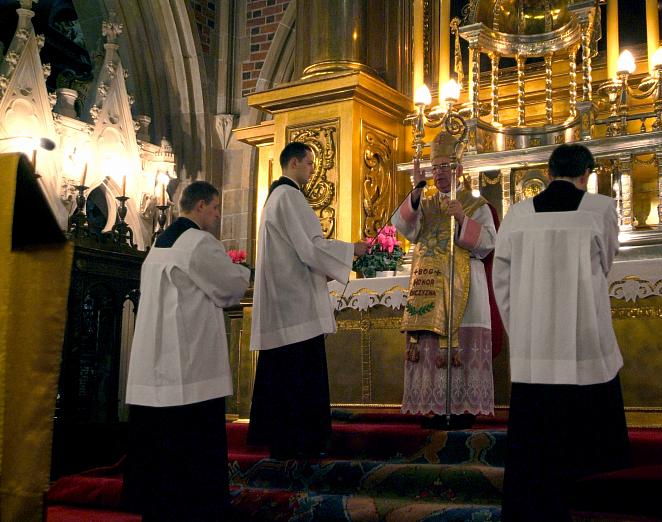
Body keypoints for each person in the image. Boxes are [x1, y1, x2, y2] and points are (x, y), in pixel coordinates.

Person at [492, 143, 631, 521]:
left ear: (549, 173)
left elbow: (501, 280)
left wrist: (521, 329)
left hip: (534, 350)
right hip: (585, 341)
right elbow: (607, 263)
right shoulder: (600, 208)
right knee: (591, 441)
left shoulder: (517, 214)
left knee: (536, 445)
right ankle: (594, 504)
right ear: (585, 173)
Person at [124, 181, 250, 521]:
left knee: (161, 455)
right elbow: (230, 287)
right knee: (192, 455)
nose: (218, 214)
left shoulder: (157, 246)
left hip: (154, 367)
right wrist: (245, 270)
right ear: (200, 206)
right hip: (189, 368)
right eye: (215, 207)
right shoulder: (197, 242)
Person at [247, 141, 368, 458]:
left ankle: (285, 442)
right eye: (311, 164)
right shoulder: (290, 197)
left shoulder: (275, 198)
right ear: (295, 163)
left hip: (286, 301)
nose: (314, 170)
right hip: (295, 307)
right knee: (301, 375)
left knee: (284, 375)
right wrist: (350, 250)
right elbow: (311, 247)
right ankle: (303, 443)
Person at [392, 131, 497, 429]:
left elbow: (489, 242)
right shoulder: (424, 205)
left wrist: (463, 219)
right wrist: (414, 193)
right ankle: (431, 405)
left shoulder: (477, 205)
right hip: (428, 288)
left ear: (459, 170)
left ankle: (464, 408)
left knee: (461, 344)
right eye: (435, 167)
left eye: (445, 167)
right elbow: (403, 227)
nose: (439, 173)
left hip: (466, 291)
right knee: (429, 344)